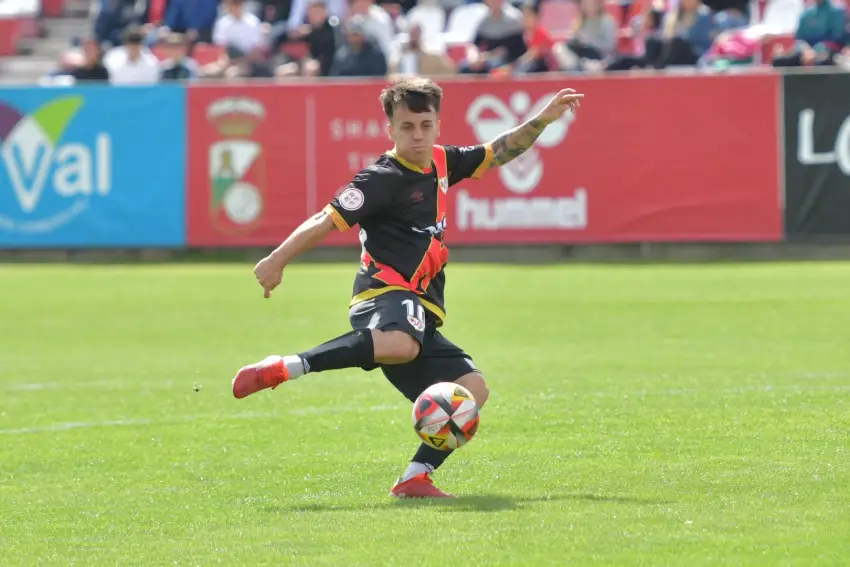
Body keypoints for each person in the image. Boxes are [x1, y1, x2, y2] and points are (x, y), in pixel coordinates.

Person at [231, 77, 583, 499]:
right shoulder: (380, 177)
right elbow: (325, 219)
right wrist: (277, 259)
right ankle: (286, 366)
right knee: (401, 342)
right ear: (390, 130)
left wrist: (543, 119)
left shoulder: (441, 161)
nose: (417, 135)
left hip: (420, 310)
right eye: (407, 127)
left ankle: (414, 478)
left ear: (436, 124)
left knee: (473, 390)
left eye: (425, 124)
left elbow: (497, 152)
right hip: (381, 297)